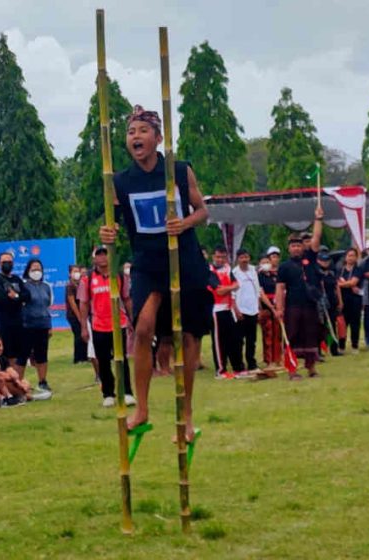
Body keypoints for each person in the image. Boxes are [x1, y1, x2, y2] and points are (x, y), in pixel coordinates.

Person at [98, 105, 211, 439]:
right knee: (144, 327)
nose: (136, 137)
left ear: (158, 138)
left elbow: (203, 211)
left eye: (143, 131)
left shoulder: (178, 171)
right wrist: (107, 234)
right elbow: (111, 225)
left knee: (188, 335)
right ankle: (142, 408)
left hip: (183, 259)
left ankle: (186, 415)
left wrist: (184, 222)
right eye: (131, 132)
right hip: (147, 262)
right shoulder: (118, 182)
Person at [79, 245, 136, 407]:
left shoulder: (119, 276)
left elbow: (126, 299)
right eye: (99, 255)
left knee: (121, 359)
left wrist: (132, 320)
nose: (103, 257)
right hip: (98, 325)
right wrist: (84, 326)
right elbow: (83, 303)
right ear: (94, 258)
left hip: (119, 324)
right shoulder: (87, 279)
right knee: (103, 361)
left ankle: (127, 392)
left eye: (105, 254)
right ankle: (108, 394)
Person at [275, 207, 325, 379]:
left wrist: (318, 219)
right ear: (289, 249)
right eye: (293, 246)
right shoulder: (284, 266)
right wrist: (279, 308)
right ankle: (292, 370)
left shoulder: (309, 259)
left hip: (310, 304)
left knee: (311, 335)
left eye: (298, 245)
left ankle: (311, 368)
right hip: (292, 306)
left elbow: (317, 238)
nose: (296, 248)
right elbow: (280, 288)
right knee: (292, 336)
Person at [232, 248, 272, 375]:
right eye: (242, 257)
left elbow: (257, 290)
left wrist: (259, 307)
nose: (244, 260)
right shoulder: (234, 272)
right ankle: (238, 366)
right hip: (240, 310)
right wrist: (236, 310)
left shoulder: (253, 271)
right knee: (238, 340)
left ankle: (252, 363)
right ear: (237, 259)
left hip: (253, 310)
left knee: (252, 340)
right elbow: (232, 294)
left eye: (246, 257)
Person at [208, 246, 245, 378]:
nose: (220, 259)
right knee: (219, 341)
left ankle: (238, 368)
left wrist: (228, 288)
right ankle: (220, 370)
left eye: (223, 257)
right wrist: (231, 287)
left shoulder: (228, 269)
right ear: (213, 257)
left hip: (228, 308)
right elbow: (219, 290)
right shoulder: (210, 271)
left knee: (235, 339)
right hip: (216, 309)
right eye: (218, 257)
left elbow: (237, 285)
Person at [0, 252, 30, 372]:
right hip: (4, 324)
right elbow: (1, 298)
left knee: (21, 355)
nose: (7, 264)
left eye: (9, 262)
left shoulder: (17, 279)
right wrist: (17, 299)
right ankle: (10, 381)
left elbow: (27, 295)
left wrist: (15, 296)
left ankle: (19, 381)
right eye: (4, 262)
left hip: (19, 322)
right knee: (8, 355)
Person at [19, 259, 54, 392]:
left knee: (42, 355)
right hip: (27, 325)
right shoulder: (24, 286)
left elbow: (47, 305)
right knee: (23, 355)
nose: (36, 271)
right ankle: (19, 382)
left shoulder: (46, 286)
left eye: (39, 268)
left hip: (43, 324)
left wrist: (49, 325)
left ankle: (42, 381)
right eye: (33, 268)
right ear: (28, 270)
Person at [258, 249, 282, 370]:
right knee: (268, 333)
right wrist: (271, 306)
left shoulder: (275, 275)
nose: (266, 264)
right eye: (264, 262)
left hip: (277, 305)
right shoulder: (260, 276)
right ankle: (269, 360)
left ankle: (277, 358)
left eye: (268, 261)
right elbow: (260, 293)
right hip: (266, 307)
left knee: (278, 333)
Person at [316, 250, 343, 356]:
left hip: (332, 301)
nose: (325, 263)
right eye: (323, 260)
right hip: (321, 302)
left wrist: (340, 301)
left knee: (332, 326)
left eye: (327, 260)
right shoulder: (317, 273)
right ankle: (318, 350)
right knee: (320, 327)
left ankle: (334, 349)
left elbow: (337, 287)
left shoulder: (332, 272)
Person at [338, 248, 364, 353]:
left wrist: (341, 284)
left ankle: (354, 346)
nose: (350, 257)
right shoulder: (340, 270)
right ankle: (341, 346)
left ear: (356, 257)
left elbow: (353, 283)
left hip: (355, 300)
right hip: (343, 299)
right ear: (345, 257)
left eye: (353, 255)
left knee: (355, 323)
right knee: (342, 323)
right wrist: (346, 284)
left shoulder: (358, 270)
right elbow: (336, 283)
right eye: (349, 255)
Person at [66, 264, 87, 364]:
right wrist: (79, 317)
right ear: (70, 274)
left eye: (78, 271)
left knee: (83, 335)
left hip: (82, 314)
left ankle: (85, 356)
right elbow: (72, 303)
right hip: (73, 315)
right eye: (74, 271)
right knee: (78, 335)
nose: (77, 273)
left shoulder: (81, 284)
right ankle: (78, 358)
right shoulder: (69, 286)